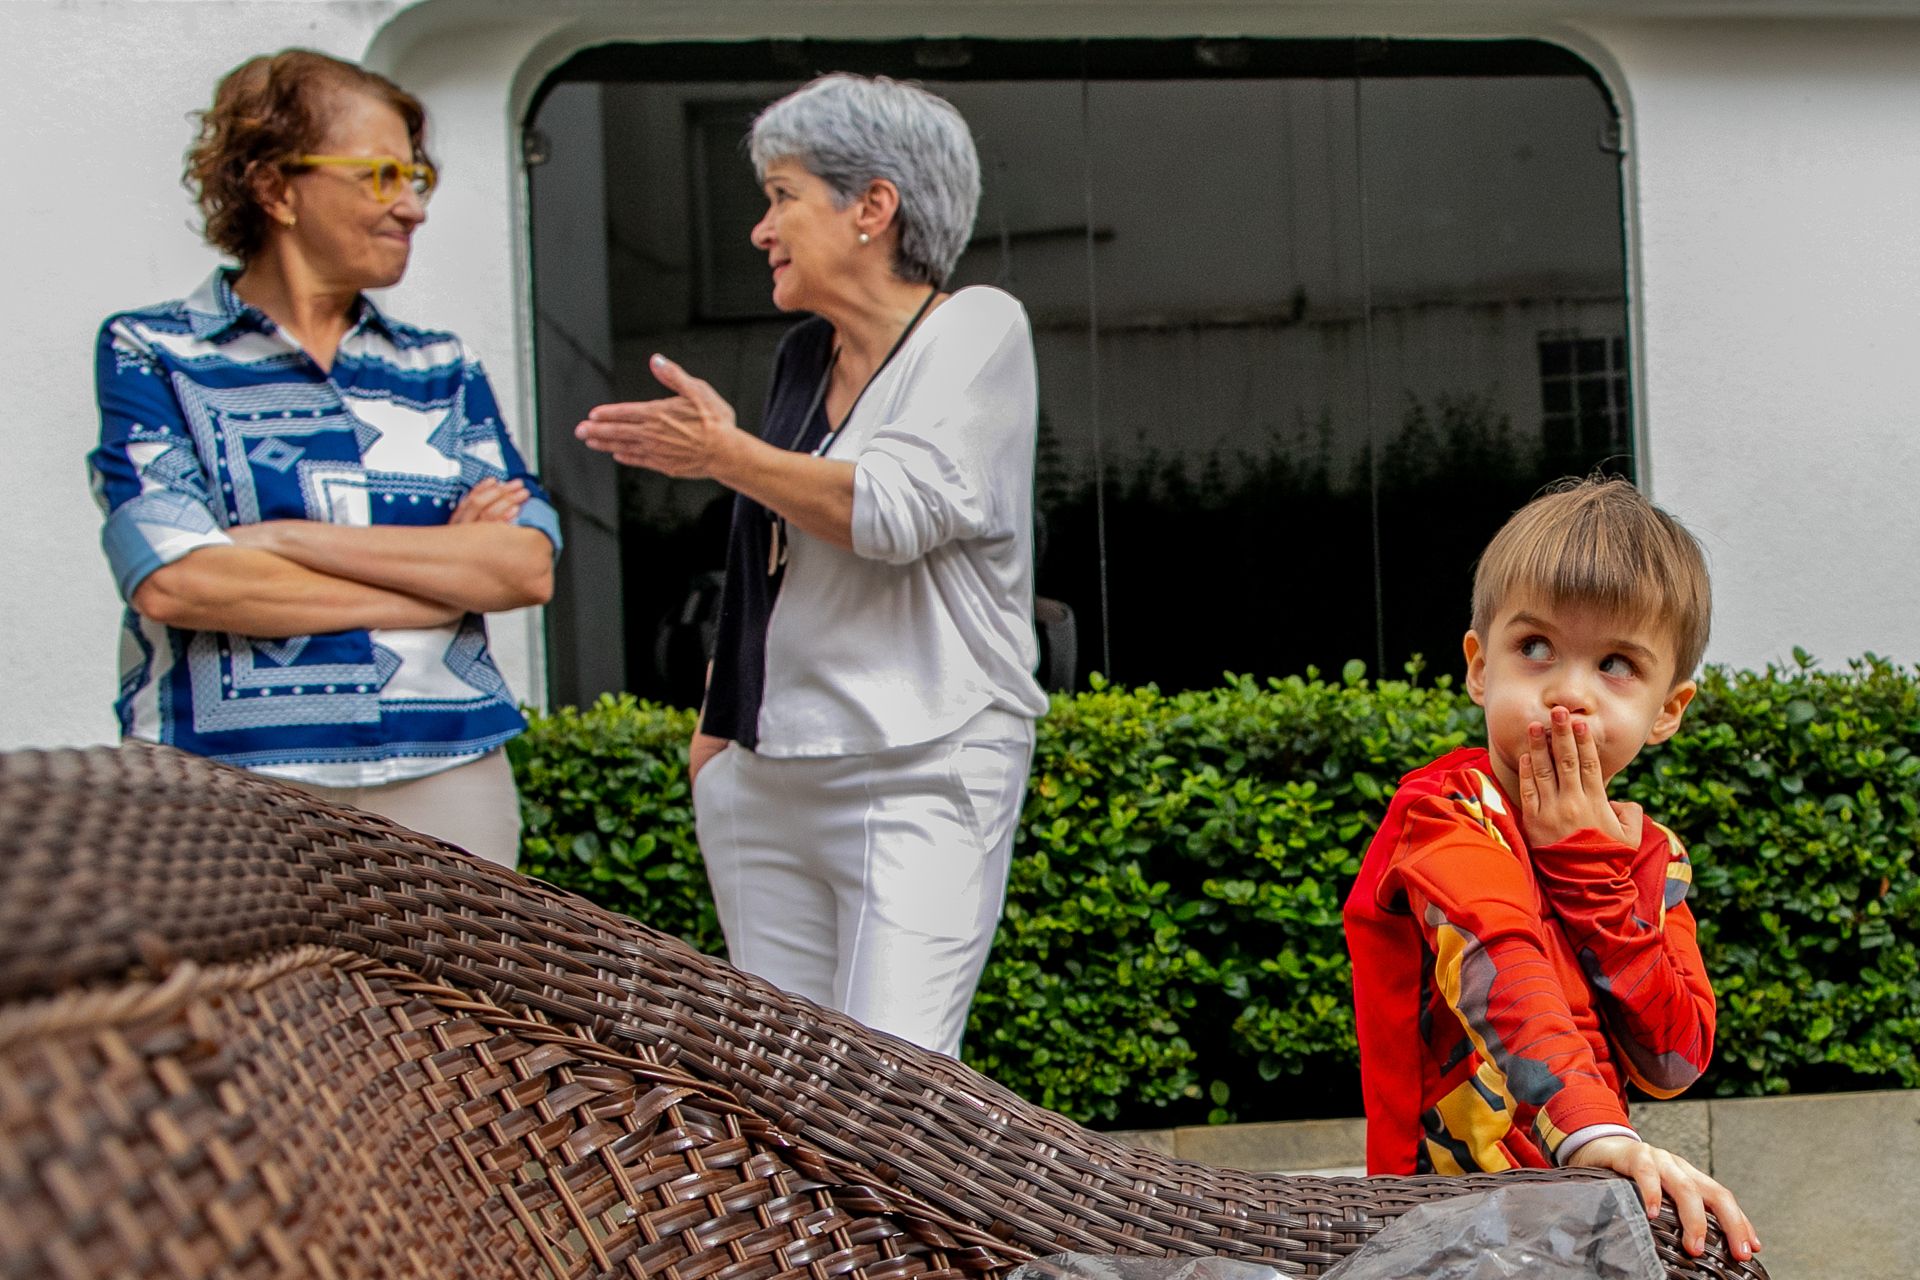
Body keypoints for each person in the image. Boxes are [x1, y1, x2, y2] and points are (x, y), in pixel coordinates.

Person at [574, 73, 1046, 1057]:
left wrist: (725, 453)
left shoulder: (977, 327)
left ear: (873, 206)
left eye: (782, 195)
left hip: (921, 767)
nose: (760, 229)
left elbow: (894, 512)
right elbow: (770, 557)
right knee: (778, 1087)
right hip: (765, 774)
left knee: (888, 1086)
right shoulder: (802, 357)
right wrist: (717, 739)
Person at [86, 50, 561, 868]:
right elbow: (176, 580)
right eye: (382, 175)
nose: (412, 206)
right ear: (275, 188)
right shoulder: (153, 352)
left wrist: (282, 539)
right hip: (221, 778)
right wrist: (434, 587)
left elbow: (524, 567)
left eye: (418, 178)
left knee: (460, 968)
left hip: (447, 768)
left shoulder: (442, 367)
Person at [1342, 477, 1762, 1264]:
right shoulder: (1445, 813)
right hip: (1438, 1224)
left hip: (1583, 1209)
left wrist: (1592, 874)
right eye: (1535, 648)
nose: (1568, 693)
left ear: (1668, 710)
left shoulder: (1655, 856)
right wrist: (1599, 1134)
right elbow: (1498, 962)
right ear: (1480, 667)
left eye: (1616, 663)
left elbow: (1674, 1057)